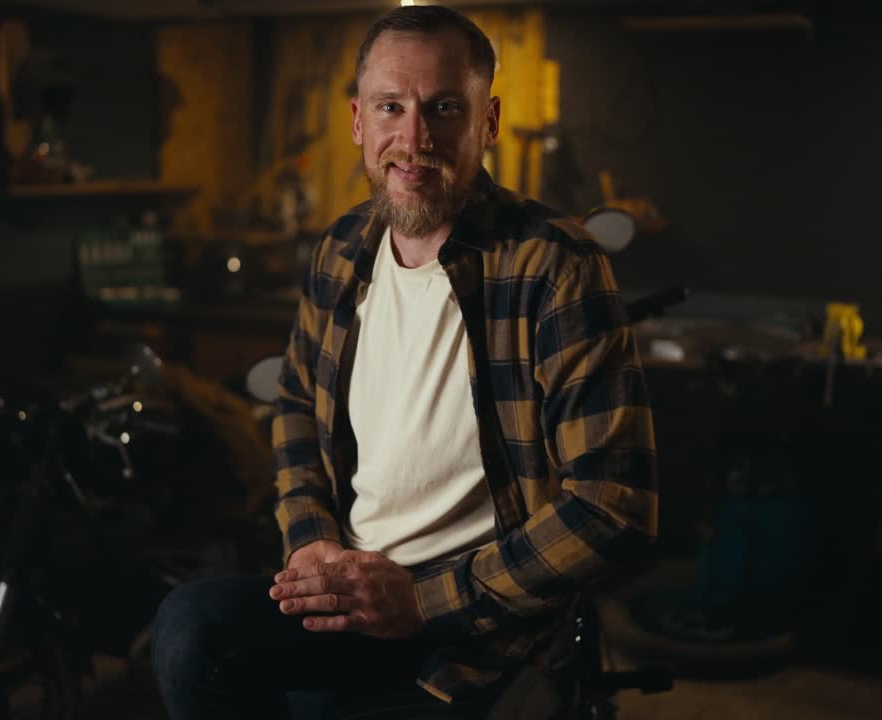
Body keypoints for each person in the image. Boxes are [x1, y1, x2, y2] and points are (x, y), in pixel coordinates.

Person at [151, 6, 657, 718]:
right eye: (392, 106)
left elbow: (614, 506)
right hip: (351, 592)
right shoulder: (340, 250)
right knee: (188, 628)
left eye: (444, 108)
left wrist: (422, 601)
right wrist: (313, 543)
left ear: (488, 121)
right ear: (360, 121)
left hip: (480, 621)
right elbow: (296, 403)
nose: (413, 139)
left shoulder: (556, 266)